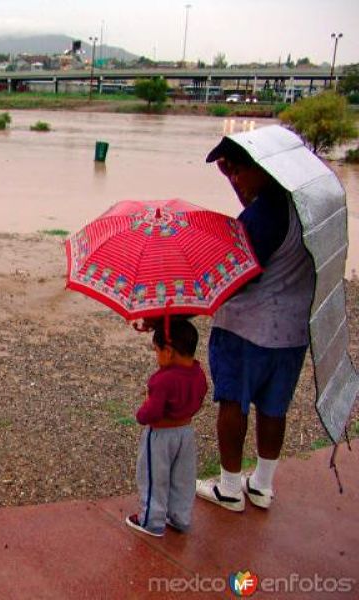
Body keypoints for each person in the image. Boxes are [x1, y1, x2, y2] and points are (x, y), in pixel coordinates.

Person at [195, 137, 315, 512]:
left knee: (233, 402)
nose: (235, 180)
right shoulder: (304, 208)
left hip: (245, 329)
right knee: (274, 406)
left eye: (236, 171)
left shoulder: (261, 217)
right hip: (292, 331)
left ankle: (229, 487)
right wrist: (237, 183)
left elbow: (240, 274)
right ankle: (262, 484)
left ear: (260, 168)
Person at [126, 318, 208, 537]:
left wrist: (141, 412)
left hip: (160, 435)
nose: (156, 356)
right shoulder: (199, 373)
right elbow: (200, 398)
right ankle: (180, 517)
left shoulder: (161, 380)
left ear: (169, 352)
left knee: (154, 476)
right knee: (183, 476)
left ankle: (151, 521)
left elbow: (150, 413)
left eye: (157, 350)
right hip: (186, 433)